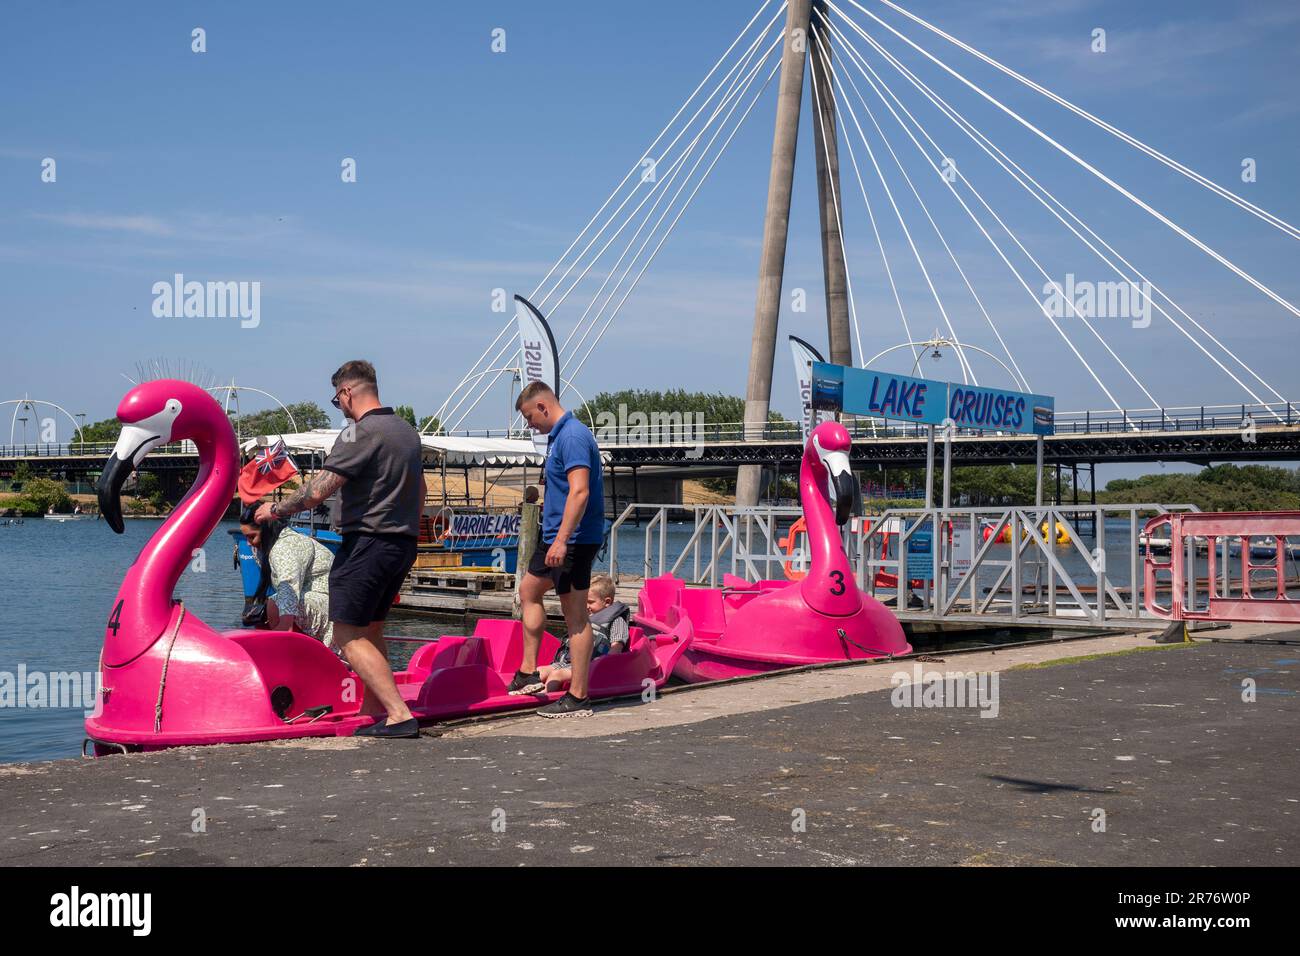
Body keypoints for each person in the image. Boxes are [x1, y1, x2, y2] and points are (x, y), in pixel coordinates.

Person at [256, 360, 426, 738]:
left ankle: (399, 714)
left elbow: (317, 492)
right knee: (373, 626)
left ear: (347, 392)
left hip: (366, 542)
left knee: (347, 633)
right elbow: (422, 493)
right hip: (401, 543)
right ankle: (373, 707)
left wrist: (275, 509)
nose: (340, 408)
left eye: (337, 401)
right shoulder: (407, 433)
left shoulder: (358, 434)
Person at [506, 381, 605, 717]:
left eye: (529, 416)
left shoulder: (573, 436)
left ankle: (579, 697)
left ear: (543, 406)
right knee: (528, 590)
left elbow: (580, 492)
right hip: (553, 537)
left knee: (575, 615)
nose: (529, 424)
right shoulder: (558, 437)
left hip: (573, 539)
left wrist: (562, 540)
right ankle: (529, 672)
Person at [238, 504, 339, 656]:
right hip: (327, 605)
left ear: (266, 531)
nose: (248, 543)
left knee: (275, 603)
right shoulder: (273, 544)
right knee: (264, 611)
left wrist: (285, 626)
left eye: (252, 536)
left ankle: (294, 656)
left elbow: (288, 585)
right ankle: (297, 655)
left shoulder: (286, 546)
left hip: (335, 610)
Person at [517, 573, 628, 695]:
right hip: (567, 662)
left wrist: (600, 664)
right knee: (539, 670)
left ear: (607, 602)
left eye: (590, 602)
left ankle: (543, 695)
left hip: (591, 666)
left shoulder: (616, 621)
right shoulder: (584, 619)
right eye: (583, 601)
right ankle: (523, 691)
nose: (585, 606)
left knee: (558, 674)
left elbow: (616, 648)